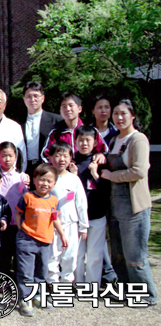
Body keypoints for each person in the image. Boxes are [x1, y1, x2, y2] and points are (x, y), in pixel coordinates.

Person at [100, 99, 157, 305]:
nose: (119, 117)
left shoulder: (138, 139)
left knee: (135, 255)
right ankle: (127, 292)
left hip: (134, 206)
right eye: (116, 114)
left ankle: (147, 295)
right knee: (118, 255)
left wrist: (110, 176)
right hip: (115, 206)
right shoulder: (115, 139)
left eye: (124, 113)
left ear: (133, 115)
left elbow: (139, 171)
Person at [15, 164, 67, 317]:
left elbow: (55, 218)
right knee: (26, 272)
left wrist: (62, 234)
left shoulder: (54, 200)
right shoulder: (27, 197)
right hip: (26, 240)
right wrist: (20, 228)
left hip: (45, 241)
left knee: (41, 271)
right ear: (34, 180)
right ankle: (25, 299)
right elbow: (18, 214)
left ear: (54, 184)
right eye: (41, 180)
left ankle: (38, 295)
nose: (45, 184)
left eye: (49, 181)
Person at [46, 141, 88, 286]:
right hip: (50, 225)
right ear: (50, 157)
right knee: (52, 255)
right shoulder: (47, 178)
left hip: (71, 224)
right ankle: (53, 284)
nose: (61, 159)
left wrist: (83, 226)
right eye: (57, 155)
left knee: (70, 256)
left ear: (70, 158)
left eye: (65, 156)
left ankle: (66, 284)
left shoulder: (74, 179)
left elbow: (81, 204)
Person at [72, 126, 110, 284]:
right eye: (80, 140)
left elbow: (107, 190)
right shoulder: (71, 162)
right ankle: (77, 284)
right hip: (77, 218)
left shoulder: (100, 161)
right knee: (77, 254)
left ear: (95, 142)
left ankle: (92, 286)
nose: (84, 143)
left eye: (88, 140)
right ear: (75, 142)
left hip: (97, 215)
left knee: (95, 254)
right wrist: (72, 176)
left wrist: (95, 175)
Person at [89, 94, 118, 286]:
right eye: (99, 107)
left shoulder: (117, 134)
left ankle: (113, 274)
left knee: (112, 234)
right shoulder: (87, 133)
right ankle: (107, 275)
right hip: (94, 192)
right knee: (98, 236)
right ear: (92, 111)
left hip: (114, 188)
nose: (104, 111)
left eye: (107, 107)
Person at [0, 141, 29, 276]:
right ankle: (1, 281)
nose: (7, 159)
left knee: (16, 253)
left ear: (16, 156)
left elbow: (26, 199)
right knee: (2, 254)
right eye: (4, 156)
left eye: (10, 156)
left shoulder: (21, 177)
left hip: (16, 222)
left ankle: (16, 282)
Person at [41, 92, 106, 163]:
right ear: (60, 110)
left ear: (80, 109)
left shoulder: (90, 131)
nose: (68, 109)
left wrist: (101, 154)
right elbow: (46, 156)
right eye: (64, 106)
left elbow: (104, 150)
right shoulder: (56, 133)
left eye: (71, 105)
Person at [19, 81, 63, 178]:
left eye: (36, 96)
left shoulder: (56, 121)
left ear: (43, 98)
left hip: (48, 168)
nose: (32, 99)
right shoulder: (17, 122)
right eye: (29, 96)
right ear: (24, 99)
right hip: (25, 170)